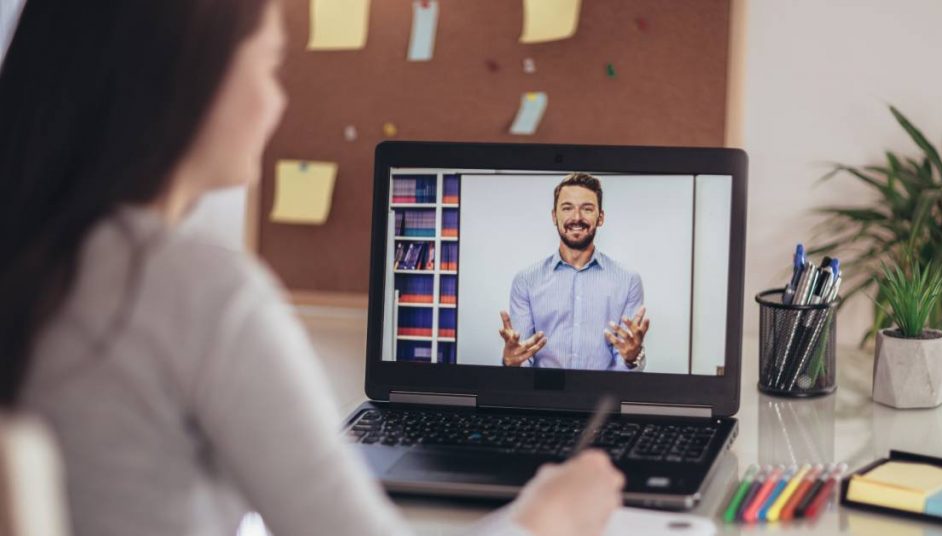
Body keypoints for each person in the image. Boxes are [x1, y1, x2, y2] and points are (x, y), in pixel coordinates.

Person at [0, 2, 624, 535]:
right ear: (194, 76)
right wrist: (548, 516)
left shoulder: (36, 255)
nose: (279, 100)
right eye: (271, 65)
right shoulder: (197, 292)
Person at [499, 174, 651, 371]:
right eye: (567, 208)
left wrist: (632, 358)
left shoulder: (628, 281)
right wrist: (511, 361)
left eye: (587, 209)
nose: (577, 217)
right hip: (542, 396)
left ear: (601, 217)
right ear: (554, 216)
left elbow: (624, 360)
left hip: (602, 397)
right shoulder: (526, 280)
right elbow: (521, 355)